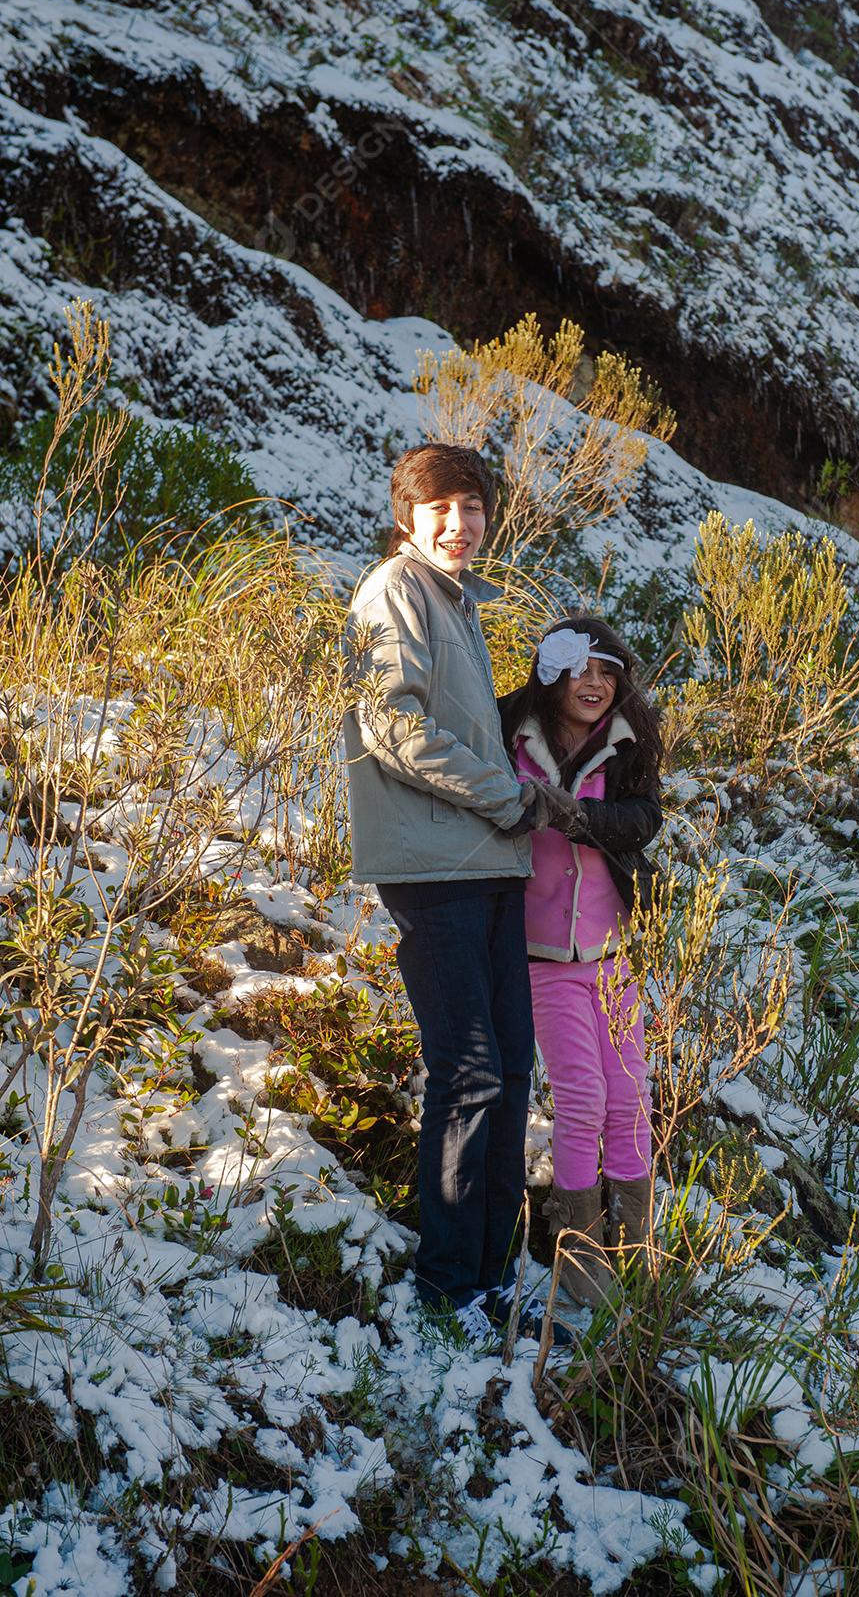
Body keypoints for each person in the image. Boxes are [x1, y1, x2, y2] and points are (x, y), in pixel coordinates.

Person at [343, 443, 559, 1347]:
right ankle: (444, 1289)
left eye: (472, 507)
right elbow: (392, 723)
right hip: (437, 870)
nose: (459, 524)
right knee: (469, 1076)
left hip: (490, 865)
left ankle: (490, 1274)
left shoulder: (457, 602)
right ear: (409, 515)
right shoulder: (394, 589)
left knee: (511, 1075)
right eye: (442, 507)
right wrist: (506, 794)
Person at [499, 617, 664, 1306]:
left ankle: (638, 1246)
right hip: (541, 955)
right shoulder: (512, 736)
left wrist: (572, 816)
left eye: (607, 672)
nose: (594, 683)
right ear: (550, 675)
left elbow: (641, 821)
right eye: (579, 669)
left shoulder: (623, 746)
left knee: (631, 1099)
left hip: (610, 950)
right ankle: (580, 1262)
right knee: (584, 1097)